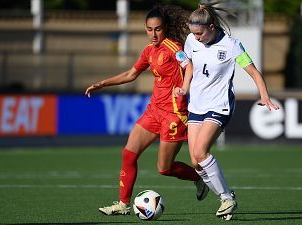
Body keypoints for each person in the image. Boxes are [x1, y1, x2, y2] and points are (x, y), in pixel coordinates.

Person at [85, 5, 209, 216]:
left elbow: (189, 65)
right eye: (149, 29)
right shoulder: (149, 51)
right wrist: (103, 83)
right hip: (154, 111)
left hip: (174, 114)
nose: (153, 34)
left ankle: (199, 179)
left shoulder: (173, 47)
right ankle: (123, 204)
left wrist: (185, 88)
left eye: (158, 29)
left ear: (166, 28)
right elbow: (131, 74)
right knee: (128, 154)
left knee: (164, 168)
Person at [174, 1, 280, 221]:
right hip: (196, 106)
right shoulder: (191, 40)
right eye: (193, 33)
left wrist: (264, 95)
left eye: (200, 33)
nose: (197, 37)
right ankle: (224, 198)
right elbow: (190, 66)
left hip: (219, 106)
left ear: (212, 27)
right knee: (195, 161)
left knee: (201, 152)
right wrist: (184, 88)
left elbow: (254, 73)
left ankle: (227, 197)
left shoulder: (232, 45)